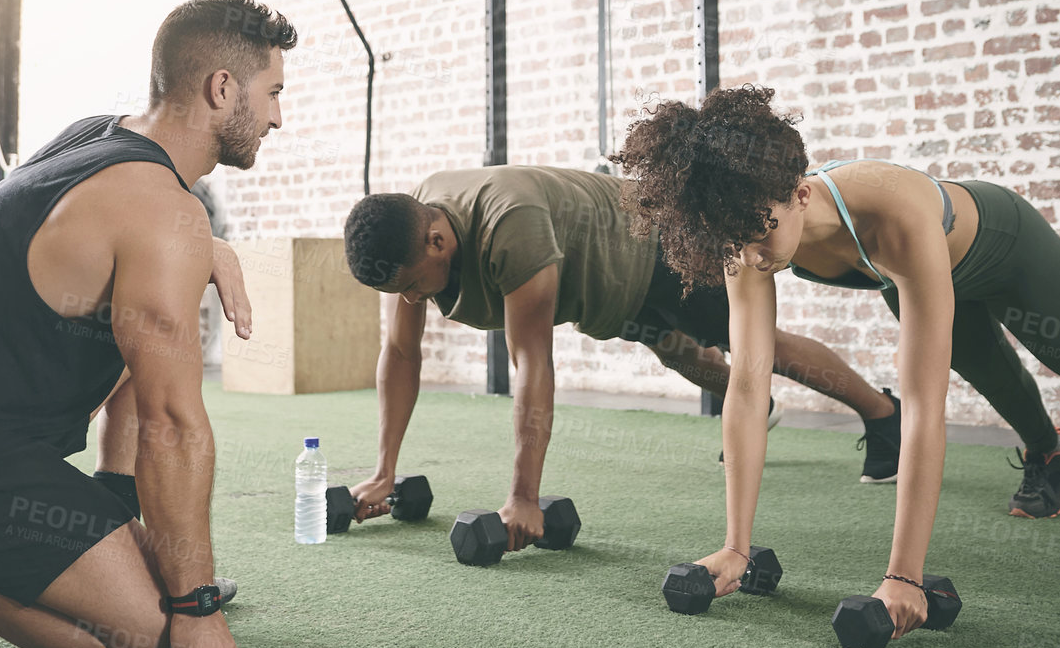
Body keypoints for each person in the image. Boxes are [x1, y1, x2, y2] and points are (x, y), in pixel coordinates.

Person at [0, 0, 295, 648]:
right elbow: (173, 425)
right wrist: (196, 609)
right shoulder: (162, 212)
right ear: (220, 89)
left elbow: (100, 257)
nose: (277, 118)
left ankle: (98, 520)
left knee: (139, 326)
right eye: (271, 93)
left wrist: (207, 245)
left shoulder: (100, 137)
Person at [616, 83, 1060, 639]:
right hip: (911, 279)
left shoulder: (893, 213)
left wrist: (904, 575)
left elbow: (923, 406)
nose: (751, 256)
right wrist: (735, 546)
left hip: (1003, 244)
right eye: (735, 242)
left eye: (760, 236)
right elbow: (749, 388)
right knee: (991, 373)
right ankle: (1047, 448)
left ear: (801, 195)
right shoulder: (744, 235)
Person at [342, 166, 900, 549]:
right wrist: (382, 471)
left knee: (758, 347)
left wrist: (522, 497)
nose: (413, 299)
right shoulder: (410, 231)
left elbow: (531, 363)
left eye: (415, 286)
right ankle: (752, 407)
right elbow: (399, 351)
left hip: (655, 245)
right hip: (616, 288)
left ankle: (882, 415)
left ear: (437, 242)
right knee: (681, 356)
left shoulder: (509, 225)